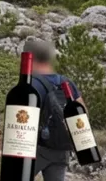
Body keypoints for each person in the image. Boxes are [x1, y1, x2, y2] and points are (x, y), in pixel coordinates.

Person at [23, 40, 85, 181]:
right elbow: (82, 113)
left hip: (35, 149)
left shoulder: (29, 84)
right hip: (61, 148)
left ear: (29, 58)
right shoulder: (66, 82)